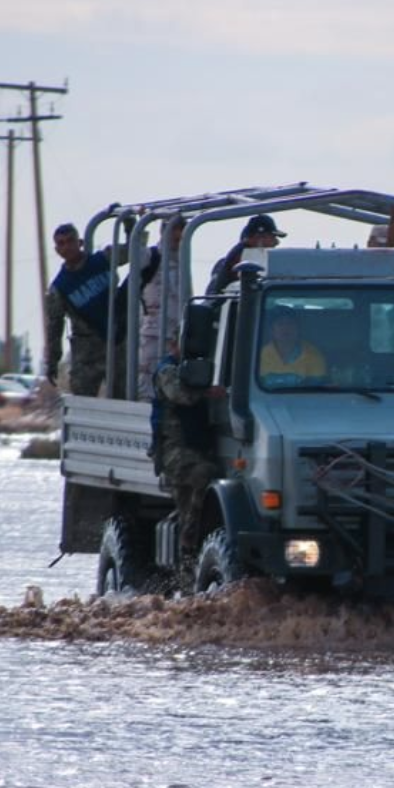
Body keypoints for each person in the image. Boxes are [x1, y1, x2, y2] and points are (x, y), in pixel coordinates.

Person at [44, 222, 129, 397]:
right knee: (83, 399)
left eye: (70, 241)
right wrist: (52, 361)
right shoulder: (60, 288)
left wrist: (130, 226)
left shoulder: (103, 259)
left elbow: (134, 251)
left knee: (123, 398)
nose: (67, 247)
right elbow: (54, 328)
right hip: (86, 353)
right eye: (61, 243)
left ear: (80, 242)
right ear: (57, 250)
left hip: (116, 342)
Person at [152, 338, 220, 557]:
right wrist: (208, 392)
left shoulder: (201, 367)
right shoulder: (168, 370)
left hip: (196, 447)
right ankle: (189, 538)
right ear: (173, 345)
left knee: (187, 506)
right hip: (174, 449)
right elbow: (179, 395)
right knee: (204, 474)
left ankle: (188, 559)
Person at [135, 220, 184, 399]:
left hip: (177, 337)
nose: (177, 237)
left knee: (171, 387)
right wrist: (138, 230)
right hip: (153, 335)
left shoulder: (183, 260)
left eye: (181, 231)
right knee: (148, 387)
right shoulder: (152, 256)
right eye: (174, 231)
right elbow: (136, 258)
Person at [206, 214, 285, 295]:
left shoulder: (244, 252)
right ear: (259, 237)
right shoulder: (244, 256)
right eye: (272, 237)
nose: (276, 242)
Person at [258, 307, 327, 383]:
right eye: (280, 324)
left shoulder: (314, 355)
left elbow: (316, 388)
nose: (285, 328)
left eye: (290, 323)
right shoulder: (260, 356)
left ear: (298, 328)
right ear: (271, 330)